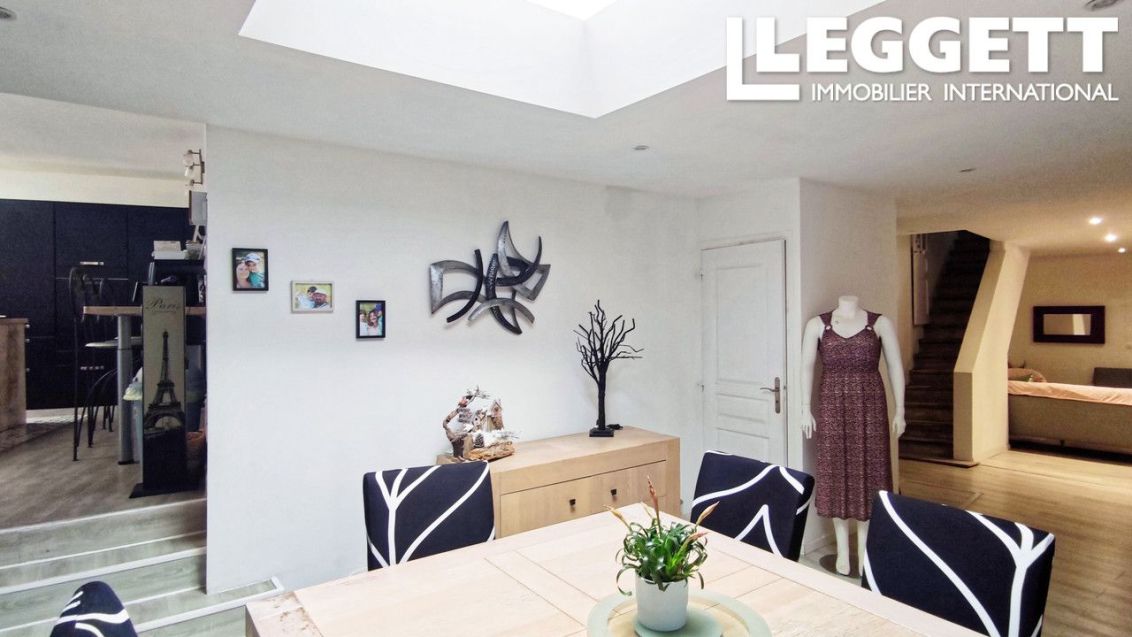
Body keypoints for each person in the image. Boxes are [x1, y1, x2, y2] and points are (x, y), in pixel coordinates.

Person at [799, 294, 905, 577]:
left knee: (870, 472)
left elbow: (895, 366)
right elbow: (806, 366)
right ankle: (844, 552)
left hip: (870, 406)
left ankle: (865, 547)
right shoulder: (818, 325)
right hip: (832, 405)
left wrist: (901, 410)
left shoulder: (879, 324)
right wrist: (804, 408)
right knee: (836, 472)